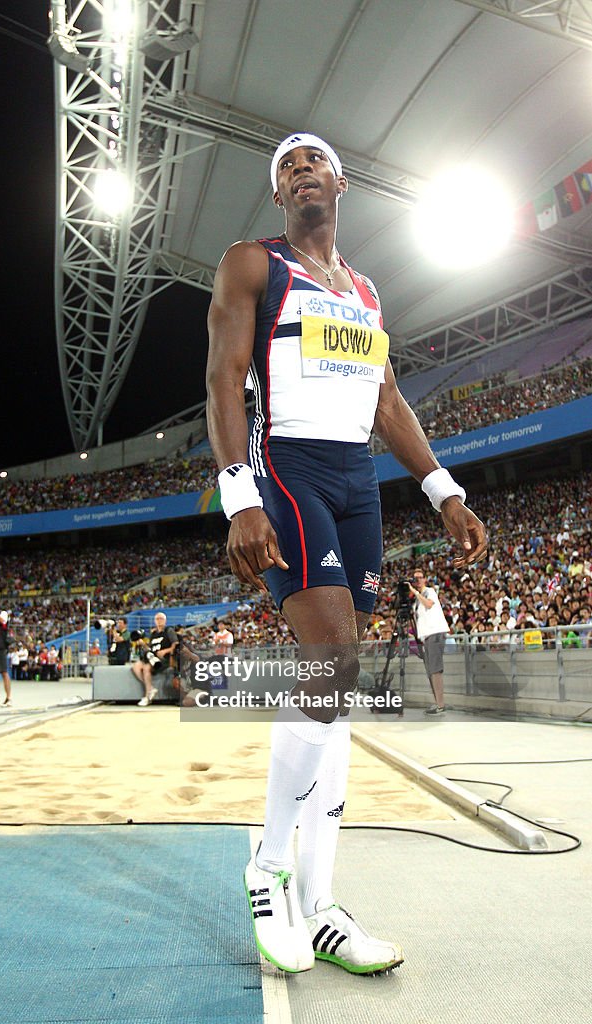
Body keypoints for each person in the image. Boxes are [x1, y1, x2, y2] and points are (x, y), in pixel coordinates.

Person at [206, 132, 487, 975]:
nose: (298, 170)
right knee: (326, 665)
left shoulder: (363, 290)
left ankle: (320, 905)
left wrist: (442, 490)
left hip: (355, 482)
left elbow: (386, 398)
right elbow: (223, 379)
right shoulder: (251, 263)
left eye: (310, 160)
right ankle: (266, 870)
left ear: (340, 181)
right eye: (284, 166)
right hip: (286, 467)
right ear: (279, 195)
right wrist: (238, 494)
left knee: (338, 690)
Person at [408, 569, 451, 714]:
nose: (418, 580)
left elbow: (429, 604)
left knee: (435, 669)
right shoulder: (416, 601)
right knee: (430, 670)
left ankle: (440, 704)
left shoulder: (429, 591)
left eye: (420, 577)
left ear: (425, 579)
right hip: (425, 636)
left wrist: (414, 592)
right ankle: (437, 703)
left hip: (435, 632)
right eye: (415, 578)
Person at [131, 612, 178, 706]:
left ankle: (147, 695)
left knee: (146, 667)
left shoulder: (169, 631)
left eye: (161, 618)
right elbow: (150, 649)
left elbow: (176, 644)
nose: (159, 621)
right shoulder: (153, 634)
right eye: (157, 619)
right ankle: (150, 688)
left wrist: (165, 651)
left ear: (165, 620)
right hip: (153, 657)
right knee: (136, 666)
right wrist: (143, 645)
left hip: (163, 660)